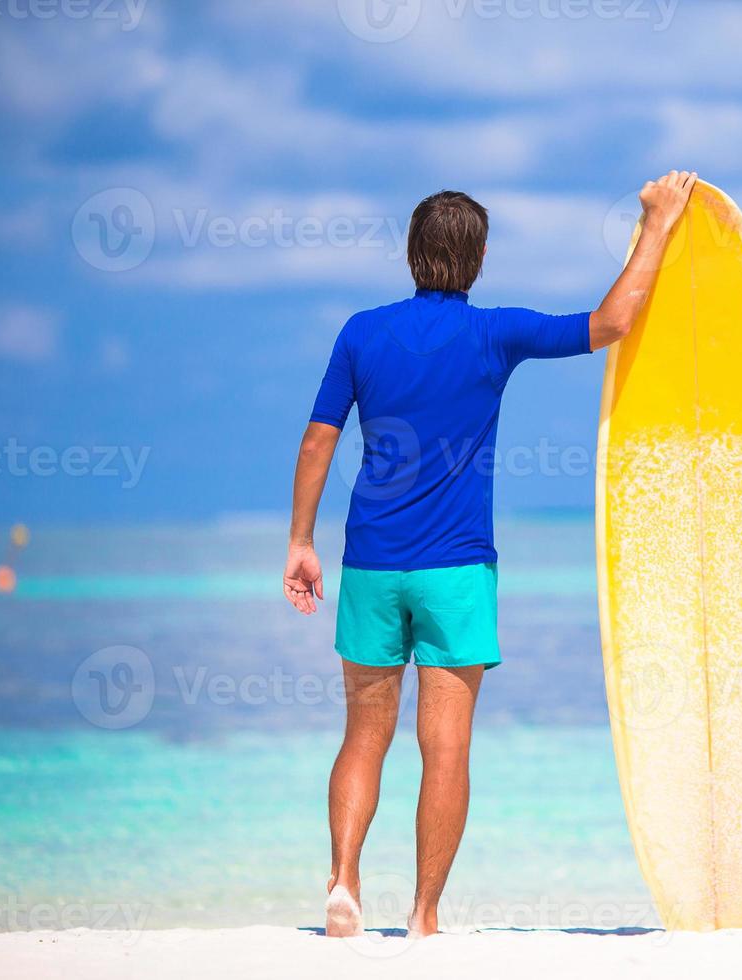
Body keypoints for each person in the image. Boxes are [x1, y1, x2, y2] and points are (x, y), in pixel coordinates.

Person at [282, 171, 698, 938]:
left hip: (372, 563)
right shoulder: (493, 333)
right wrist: (658, 223)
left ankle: (343, 881)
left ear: (411, 254)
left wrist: (302, 540)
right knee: (445, 747)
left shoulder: (361, 332)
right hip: (456, 570)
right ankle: (424, 914)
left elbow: (318, 440)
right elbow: (612, 322)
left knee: (364, 733)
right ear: (477, 262)